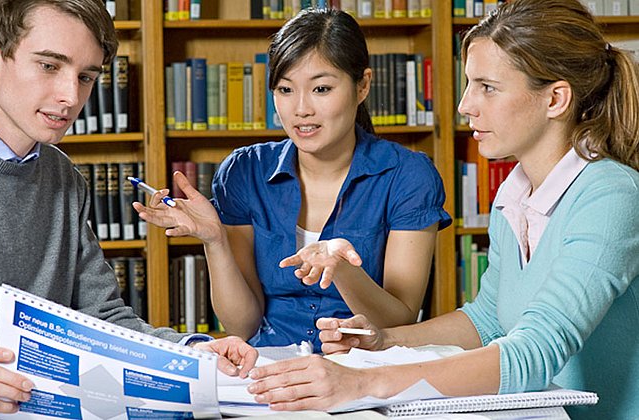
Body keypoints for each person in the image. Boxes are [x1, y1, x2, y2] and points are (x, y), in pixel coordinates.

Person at [244, 1, 639, 418]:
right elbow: (488, 321)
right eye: (468, 84)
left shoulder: (610, 195)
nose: (465, 105)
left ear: (555, 98)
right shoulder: (515, 191)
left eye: (487, 87)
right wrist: (386, 340)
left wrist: (363, 383)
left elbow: (534, 353)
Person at [0, 1, 257, 418]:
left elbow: (101, 316)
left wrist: (191, 352)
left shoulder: (64, 176)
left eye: (86, 76)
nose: (71, 97)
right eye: (50, 66)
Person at [134, 8, 451, 350]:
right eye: (285, 90)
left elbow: (398, 321)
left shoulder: (408, 176)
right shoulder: (244, 172)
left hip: (362, 368)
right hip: (268, 367)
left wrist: (342, 271)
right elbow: (243, 325)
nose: (301, 109)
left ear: (363, 86)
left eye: (322, 89)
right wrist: (215, 241)